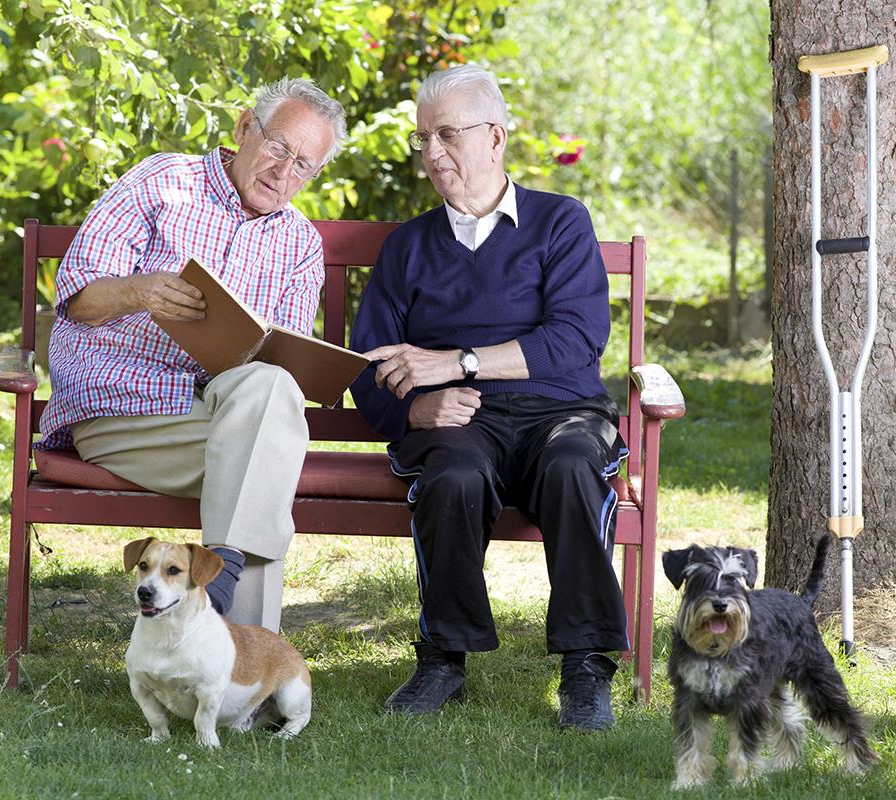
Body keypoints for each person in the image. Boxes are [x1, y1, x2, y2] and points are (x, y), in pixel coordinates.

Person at [349, 65, 630, 731]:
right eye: (424, 139)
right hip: (456, 421)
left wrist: (458, 362)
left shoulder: (559, 222)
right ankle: (443, 659)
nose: (433, 153)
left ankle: (586, 669)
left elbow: (575, 339)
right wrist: (415, 409)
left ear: (496, 136)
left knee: (571, 468)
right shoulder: (407, 247)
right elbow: (368, 365)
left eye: (448, 134)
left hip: (560, 413)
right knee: (451, 473)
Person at [37, 77, 346, 630]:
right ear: (245, 128)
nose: (283, 172)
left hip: (222, 414)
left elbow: (284, 368)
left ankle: (220, 586)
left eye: (303, 165)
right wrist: (138, 290)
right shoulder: (162, 182)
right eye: (279, 148)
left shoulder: (300, 243)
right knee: (263, 465)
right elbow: (77, 297)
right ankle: (247, 669)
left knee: (270, 398)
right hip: (125, 409)